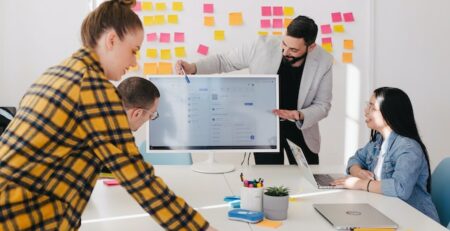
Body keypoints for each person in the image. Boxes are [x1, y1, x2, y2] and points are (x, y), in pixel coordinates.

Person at [0, 1, 216, 230]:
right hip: (20, 217)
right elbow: (140, 181)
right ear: (112, 40)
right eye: (133, 51)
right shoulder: (93, 88)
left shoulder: (57, 72)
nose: (134, 63)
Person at [176, 15, 333, 165]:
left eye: (293, 50)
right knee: (269, 182)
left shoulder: (324, 61)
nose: (285, 52)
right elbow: (224, 61)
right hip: (264, 127)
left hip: (300, 129)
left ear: (310, 47)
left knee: (309, 181)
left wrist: (299, 115)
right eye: (284, 44)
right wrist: (194, 67)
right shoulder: (261, 45)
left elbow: (322, 105)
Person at [332, 87, 439, 222]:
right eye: (368, 106)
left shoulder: (408, 148)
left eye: (372, 108)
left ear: (390, 114)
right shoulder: (378, 140)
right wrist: (358, 171)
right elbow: (355, 159)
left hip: (415, 220)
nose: (366, 111)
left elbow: (400, 188)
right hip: (388, 213)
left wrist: (360, 183)